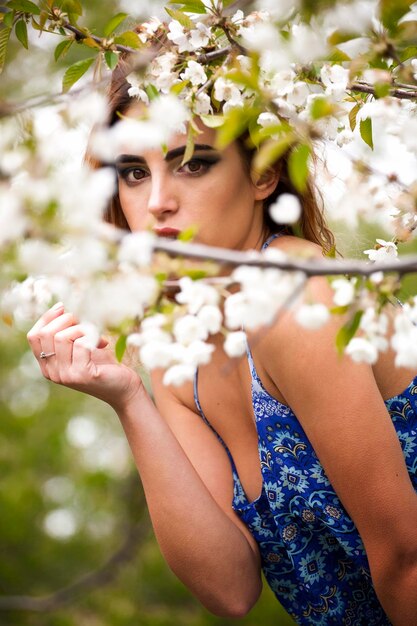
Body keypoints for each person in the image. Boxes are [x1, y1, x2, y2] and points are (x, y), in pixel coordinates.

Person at [27, 55, 417, 626]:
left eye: (192, 164)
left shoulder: (293, 298)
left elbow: (406, 557)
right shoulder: (175, 336)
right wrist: (129, 399)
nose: (157, 200)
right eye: (134, 172)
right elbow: (229, 586)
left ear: (263, 173)